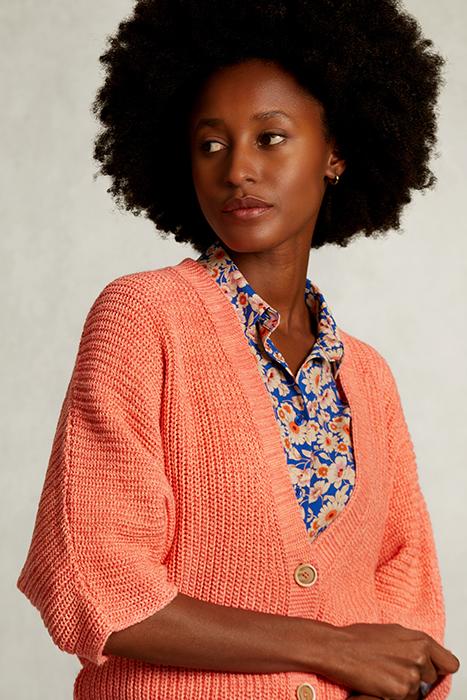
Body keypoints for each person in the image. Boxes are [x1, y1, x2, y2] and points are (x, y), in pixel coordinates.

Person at [17, 1, 460, 699]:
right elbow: (92, 578)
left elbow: (408, 613)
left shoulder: (368, 378)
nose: (237, 170)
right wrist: (330, 648)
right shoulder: (143, 320)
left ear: (336, 153)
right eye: (211, 145)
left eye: (270, 138)